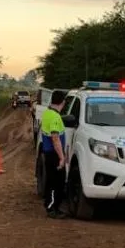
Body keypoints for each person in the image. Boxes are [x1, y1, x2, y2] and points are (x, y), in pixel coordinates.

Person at [40, 90, 68, 218]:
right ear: (63, 102)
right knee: (56, 182)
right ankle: (52, 208)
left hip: (49, 153)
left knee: (54, 181)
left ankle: (53, 207)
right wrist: (62, 158)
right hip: (54, 155)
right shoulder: (55, 117)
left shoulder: (47, 113)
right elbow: (55, 138)